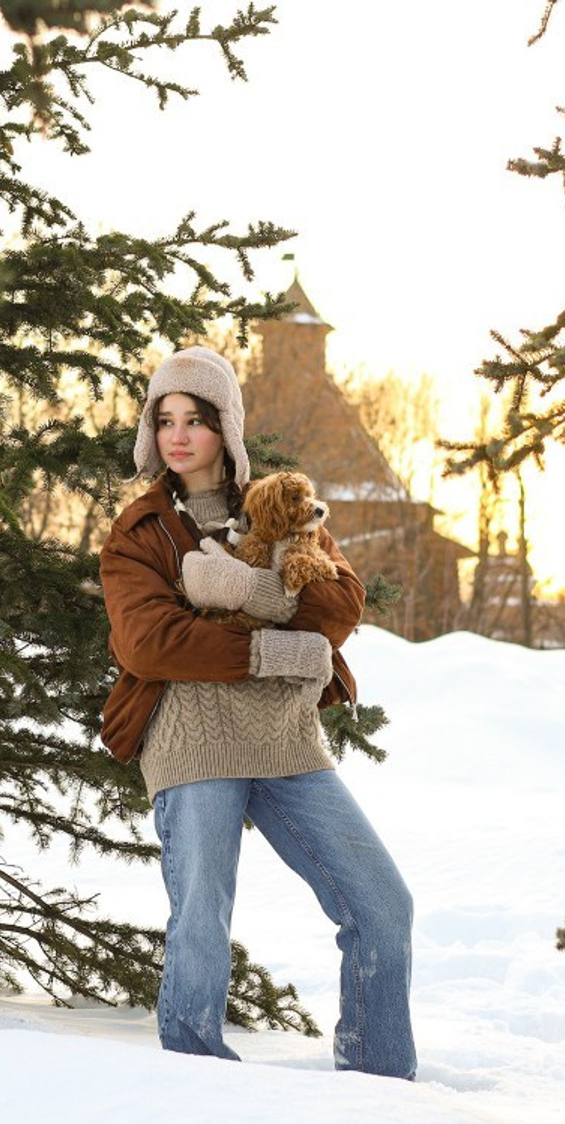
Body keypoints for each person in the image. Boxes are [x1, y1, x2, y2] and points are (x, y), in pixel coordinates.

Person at [99, 346, 416, 1079]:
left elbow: (338, 607)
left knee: (381, 905)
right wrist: (272, 647)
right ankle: (197, 1077)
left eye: (195, 420)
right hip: (192, 739)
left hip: (285, 738)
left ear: (226, 428)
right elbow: (150, 643)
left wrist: (238, 592)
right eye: (165, 420)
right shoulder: (140, 531)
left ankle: (379, 1083)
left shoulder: (281, 507)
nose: (178, 436)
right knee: (202, 919)